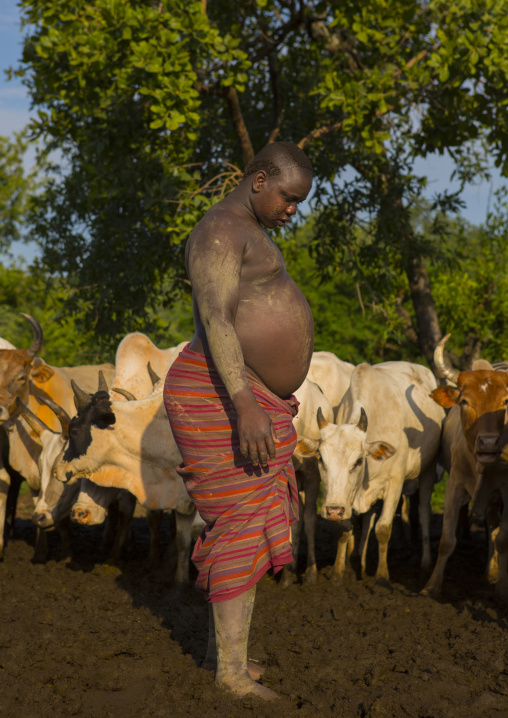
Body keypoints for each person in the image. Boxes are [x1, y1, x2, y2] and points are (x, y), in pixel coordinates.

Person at [163, 141, 314, 700]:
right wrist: (245, 403)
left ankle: (224, 656)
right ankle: (228, 676)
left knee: (243, 525)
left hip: (241, 392)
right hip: (221, 394)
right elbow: (216, 315)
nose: (292, 210)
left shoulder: (244, 229)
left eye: (298, 202)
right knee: (240, 523)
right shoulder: (221, 231)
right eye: (288, 198)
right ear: (258, 179)